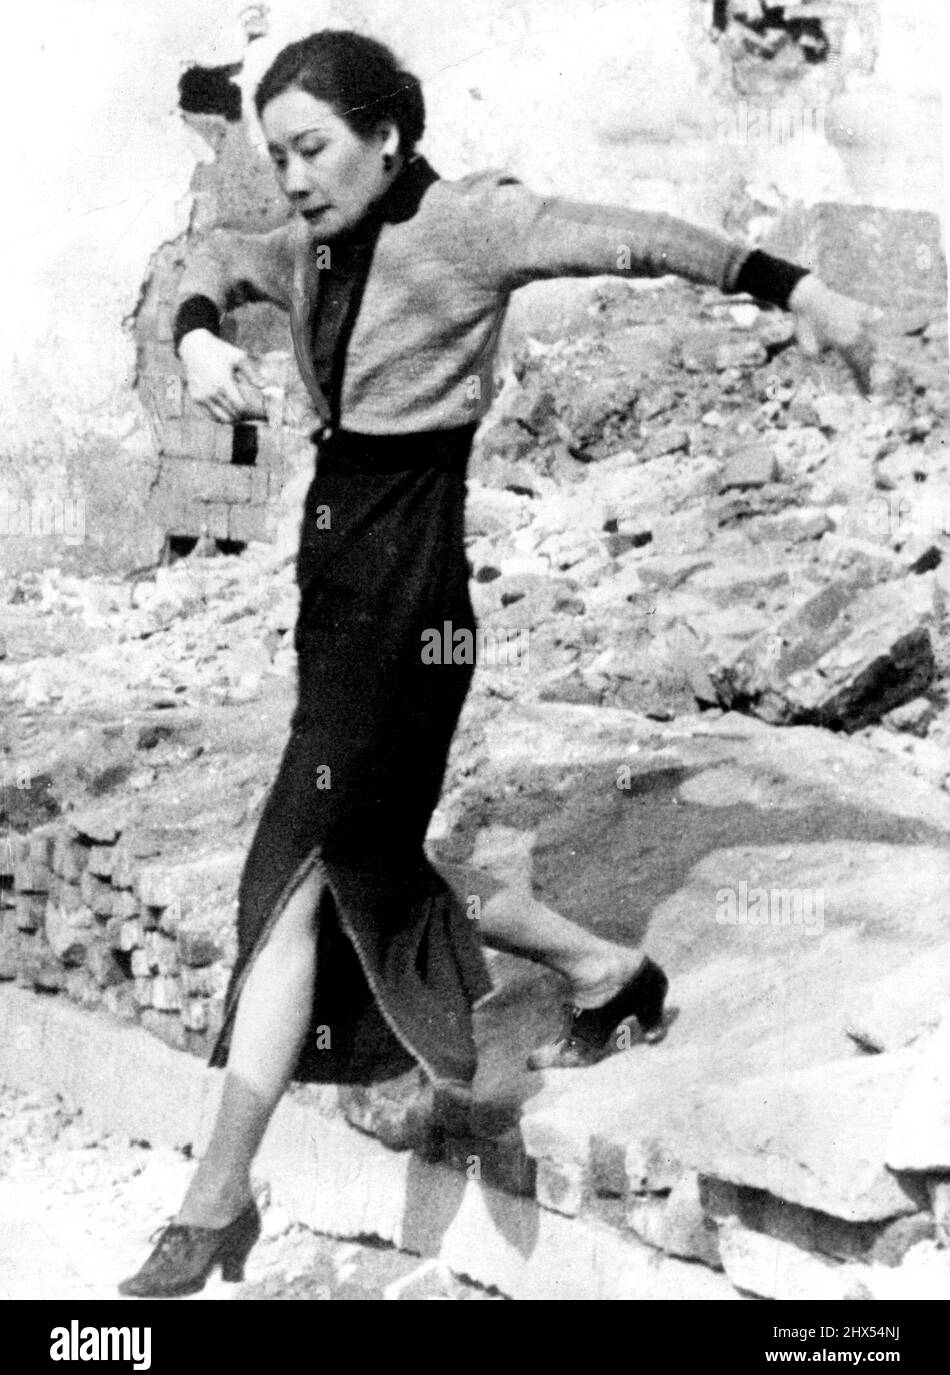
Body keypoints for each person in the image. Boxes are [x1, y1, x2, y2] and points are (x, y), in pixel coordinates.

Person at [119, 29, 877, 1298]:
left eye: (313, 149)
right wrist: (198, 335)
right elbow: (203, 257)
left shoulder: (469, 227)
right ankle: (602, 971)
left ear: (390, 137)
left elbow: (627, 232)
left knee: (294, 876)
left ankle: (214, 1202)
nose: (294, 178)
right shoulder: (308, 246)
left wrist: (790, 285)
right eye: (276, 156)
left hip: (413, 605)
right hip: (336, 594)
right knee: (368, 857)